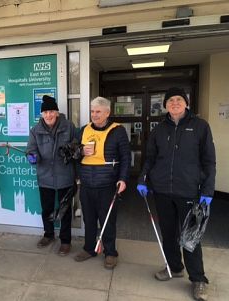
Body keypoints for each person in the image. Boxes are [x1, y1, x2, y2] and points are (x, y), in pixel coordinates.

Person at [137, 87, 215, 301]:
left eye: (179, 99)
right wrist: (143, 179)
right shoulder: (159, 129)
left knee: (190, 237)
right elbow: (150, 158)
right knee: (168, 233)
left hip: (189, 191)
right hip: (162, 191)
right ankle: (174, 267)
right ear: (165, 105)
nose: (174, 103)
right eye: (170, 100)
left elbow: (209, 161)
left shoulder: (200, 127)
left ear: (187, 103)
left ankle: (198, 279)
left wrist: (207, 190)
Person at [74, 96, 130, 270]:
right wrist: (81, 150)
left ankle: (110, 253)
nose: (94, 115)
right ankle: (89, 248)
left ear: (107, 112)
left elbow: (126, 157)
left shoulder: (118, 131)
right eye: (92, 111)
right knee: (89, 219)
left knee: (108, 220)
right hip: (87, 184)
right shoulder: (83, 130)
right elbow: (72, 152)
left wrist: (123, 178)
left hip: (107, 184)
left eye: (98, 111)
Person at [26, 95, 77, 256]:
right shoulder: (35, 130)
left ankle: (65, 241)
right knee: (47, 209)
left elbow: (77, 145)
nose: (48, 115)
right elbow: (30, 150)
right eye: (45, 112)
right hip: (45, 176)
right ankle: (48, 234)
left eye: (51, 111)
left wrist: (71, 150)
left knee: (65, 210)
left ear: (56, 112)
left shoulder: (69, 126)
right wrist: (32, 157)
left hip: (65, 176)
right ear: (42, 114)